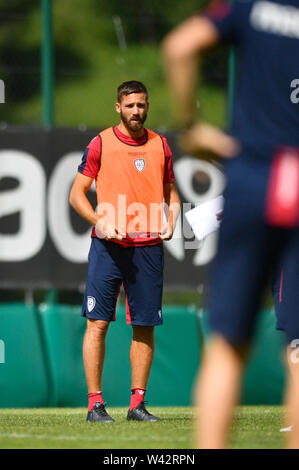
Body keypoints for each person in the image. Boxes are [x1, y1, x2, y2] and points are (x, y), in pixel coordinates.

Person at [163, 0, 299, 448]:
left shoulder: (252, 6)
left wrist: (193, 126)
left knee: (226, 347)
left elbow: (179, 46)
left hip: (254, 174)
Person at [69, 80, 180, 423]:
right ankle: (95, 405)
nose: (137, 111)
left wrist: (172, 219)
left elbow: (171, 194)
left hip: (148, 247)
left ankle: (137, 406)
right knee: (97, 324)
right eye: (130, 105)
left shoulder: (161, 145)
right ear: (118, 107)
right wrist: (99, 221)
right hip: (108, 247)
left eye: (142, 105)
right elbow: (76, 195)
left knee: (144, 326)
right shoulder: (100, 143)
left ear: (148, 107)